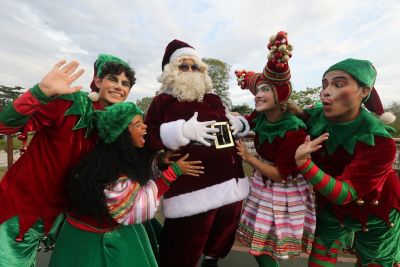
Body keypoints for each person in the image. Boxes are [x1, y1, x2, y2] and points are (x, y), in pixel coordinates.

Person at [0, 54, 135, 266]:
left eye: (125, 83)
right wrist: (39, 93)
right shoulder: (69, 102)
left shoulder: (116, 125)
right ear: (98, 81)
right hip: (21, 211)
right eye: (113, 79)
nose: (119, 86)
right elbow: (5, 126)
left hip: (65, 219)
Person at [48, 102, 203, 266]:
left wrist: (159, 160)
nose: (145, 127)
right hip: (94, 247)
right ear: (121, 133)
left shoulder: (106, 157)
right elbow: (142, 203)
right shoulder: (115, 173)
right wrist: (175, 171)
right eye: (138, 124)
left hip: (75, 240)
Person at [145, 39, 250, 267]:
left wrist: (238, 125)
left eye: (195, 67)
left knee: (221, 238)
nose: (191, 71)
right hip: (191, 189)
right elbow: (148, 135)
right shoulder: (162, 100)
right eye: (184, 66)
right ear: (172, 70)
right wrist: (180, 130)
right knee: (183, 246)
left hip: (229, 182)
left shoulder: (213, 98)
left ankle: (211, 260)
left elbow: (228, 121)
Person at [294, 58, 400, 266]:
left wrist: (304, 163)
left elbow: (346, 193)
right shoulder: (316, 116)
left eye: (339, 84)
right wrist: (240, 120)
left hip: (377, 212)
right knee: (319, 261)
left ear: (364, 91)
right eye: (325, 85)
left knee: (374, 262)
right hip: (333, 209)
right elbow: (281, 112)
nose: (326, 91)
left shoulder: (380, 141)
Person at [234, 31, 316, 267]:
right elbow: (243, 122)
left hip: (284, 189)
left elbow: (281, 174)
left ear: (280, 95)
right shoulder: (261, 116)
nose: (258, 95)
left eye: (265, 90)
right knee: (257, 246)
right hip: (262, 183)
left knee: (267, 246)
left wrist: (249, 157)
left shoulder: (294, 130)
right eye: (257, 90)